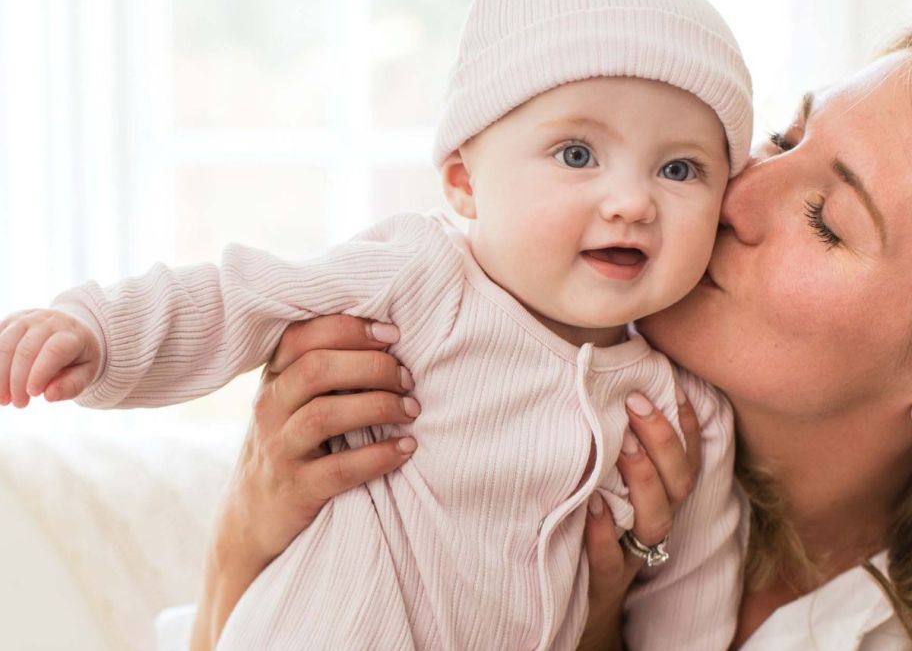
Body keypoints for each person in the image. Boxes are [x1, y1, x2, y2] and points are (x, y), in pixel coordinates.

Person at [0, 0, 753, 649]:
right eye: (577, 154)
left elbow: (691, 604)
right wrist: (96, 332)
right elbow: (240, 295)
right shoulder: (417, 277)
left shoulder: (682, 411)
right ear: (463, 182)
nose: (630, 203)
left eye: (679, 168)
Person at [182, 34, 912, 650]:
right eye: (784, 137)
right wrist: (246, 536)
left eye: (827, 220)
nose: (736, 192)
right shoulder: (447, 367)